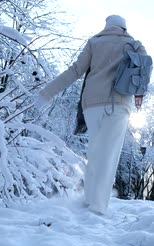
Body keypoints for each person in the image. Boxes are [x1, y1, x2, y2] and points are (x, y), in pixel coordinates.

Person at [34, 14, 147, 215]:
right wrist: (139, 93)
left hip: (92, 105)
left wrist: (47, 93)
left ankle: (89, 199)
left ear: (107, 26)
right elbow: (145, 69)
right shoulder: (134, 44)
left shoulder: (95, 42)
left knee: (95, 151)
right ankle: (98, 207)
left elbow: (75, 71)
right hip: (119, 104)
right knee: (109, 155)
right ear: (123, 28)